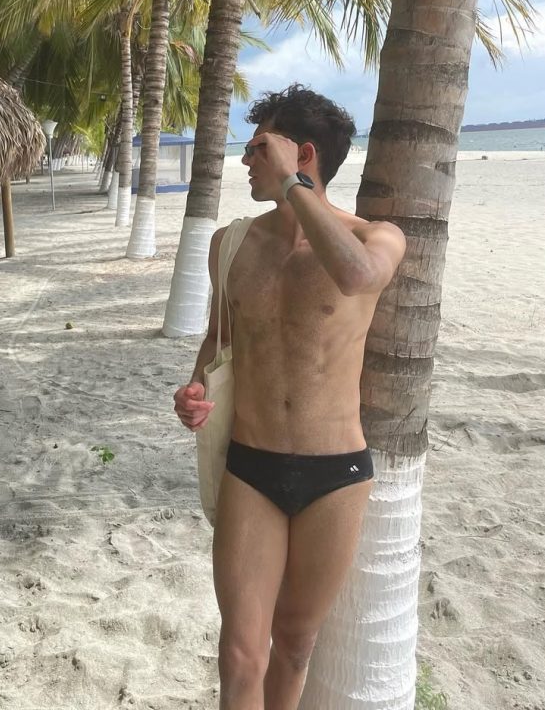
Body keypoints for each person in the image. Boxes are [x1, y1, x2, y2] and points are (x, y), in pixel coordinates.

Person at [173, 85, 406, 710]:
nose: (245, 159)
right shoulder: (231, 244)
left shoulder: (376, 238)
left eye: (258, 148)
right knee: (240, 653)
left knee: (296, 644)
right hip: (250, 465)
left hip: (336, 473)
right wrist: (196, 390)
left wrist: (294, 187)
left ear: (302, 154)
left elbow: (357, 277)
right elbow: (219, 337)